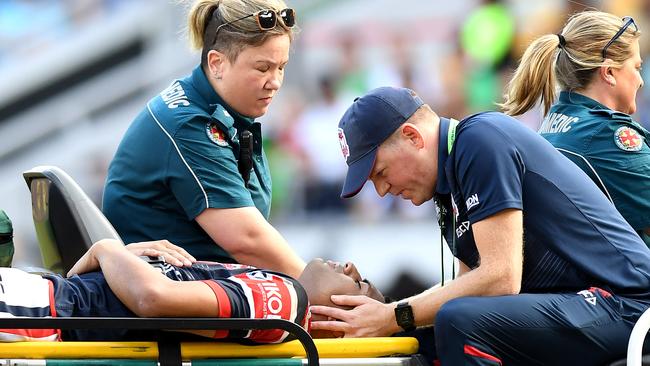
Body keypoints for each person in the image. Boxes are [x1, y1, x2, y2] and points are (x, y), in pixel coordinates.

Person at [310, 86, 650, 365]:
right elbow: (471, 288)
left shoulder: (479, 140)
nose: (382, 191)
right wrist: (392, 322)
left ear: (413, 137)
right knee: (421, 336)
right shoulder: (448, 186)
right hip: (588, 307)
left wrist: (392, 315)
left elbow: (501, 279)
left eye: (380, 173)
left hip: (629, 304)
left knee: (456, 320)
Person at [102, 0, 305, 278]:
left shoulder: (210, 109)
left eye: (281, 67)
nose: (275, 81)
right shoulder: (189, 125)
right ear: (217, 63)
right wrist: (316, 286)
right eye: (262, 68)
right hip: (162, 301)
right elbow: (246, 240)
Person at [0, 239, 382, 343]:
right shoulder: (280, 292)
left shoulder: (285, 300)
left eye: (360, 282)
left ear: (340, 318)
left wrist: (107, 249)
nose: (350, 266)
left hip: (44, 312)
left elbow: (156, 300)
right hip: (48, 304)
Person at [500, 11, 650, 246]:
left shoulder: (555, 121)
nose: (640, 80)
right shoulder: (607, 136)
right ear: (609, 72)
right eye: (637, 67)